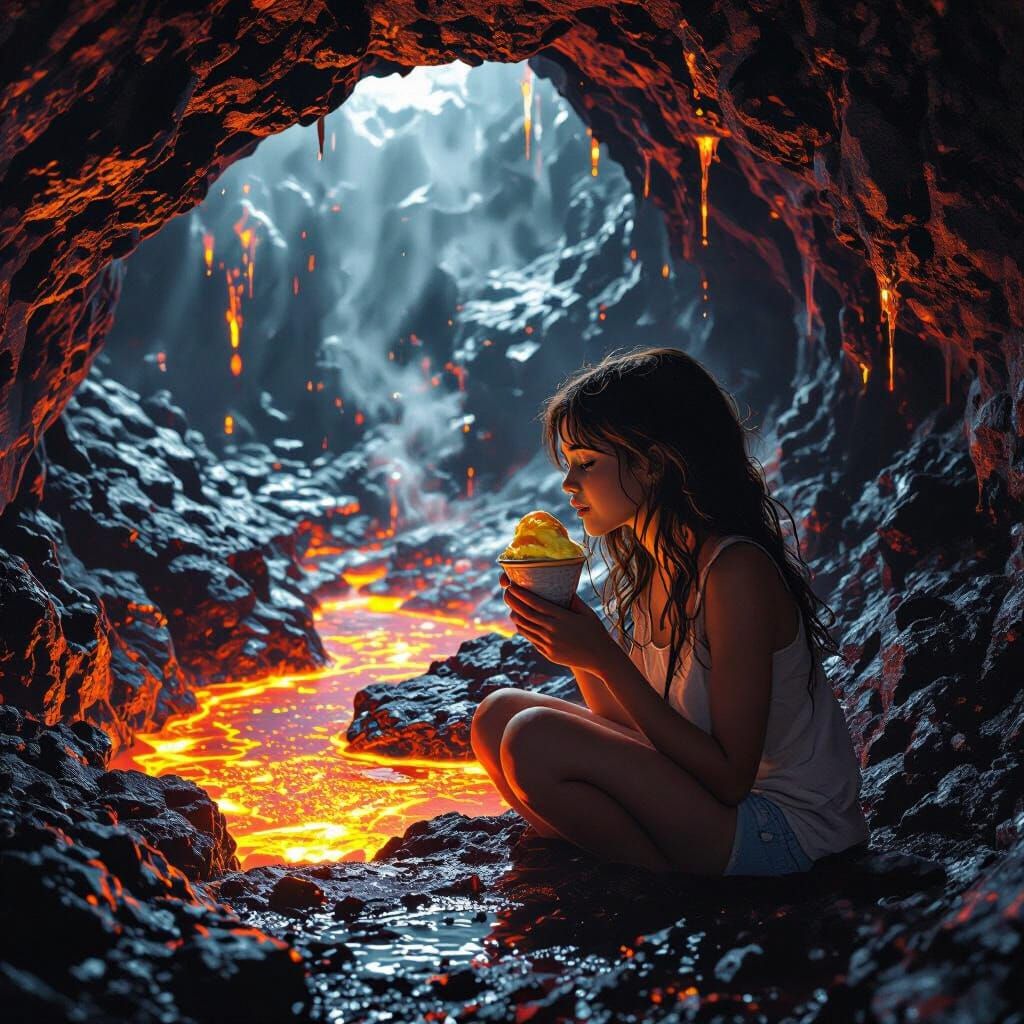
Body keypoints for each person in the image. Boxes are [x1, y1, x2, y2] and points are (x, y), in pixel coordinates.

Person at [470, 345, 869, 876]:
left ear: (654, 464)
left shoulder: (734, 573)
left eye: (587, 464)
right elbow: (635, 731)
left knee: (532, 737)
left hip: (786, 830)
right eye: (569, 465)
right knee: (496, 716)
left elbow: (731, 778)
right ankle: (637, 867)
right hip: (717, 809)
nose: (569, 485)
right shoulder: (653, 566)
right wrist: (573, 641)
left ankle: (665, 893)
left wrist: (606, 658)